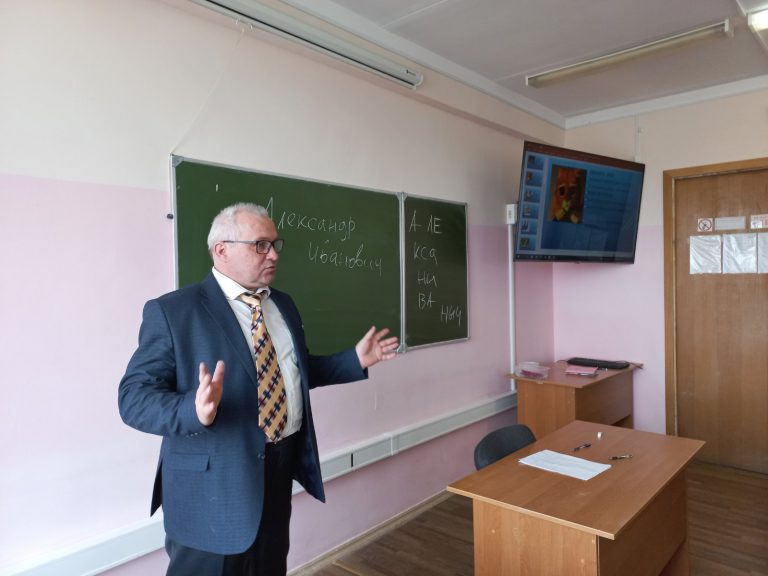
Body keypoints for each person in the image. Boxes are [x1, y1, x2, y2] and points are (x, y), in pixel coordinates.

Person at [118, 203, 399, 576]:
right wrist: (193, 409)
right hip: (212, 490)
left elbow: (291, 372)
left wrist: (354, 360)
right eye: (260, 245)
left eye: (275, 244)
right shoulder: (174, 312)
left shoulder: (282, 304)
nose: (273, 255)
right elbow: (133, 397)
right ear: (222, 250)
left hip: (277, 471)